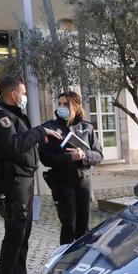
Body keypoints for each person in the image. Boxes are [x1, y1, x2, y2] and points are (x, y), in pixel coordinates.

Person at [0, 76, 61, 274]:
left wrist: (38, 134)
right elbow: (14, 144)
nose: (25, 97)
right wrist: (39, 132)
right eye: (23, 93)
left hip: (23, 180)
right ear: (13, 94)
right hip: (11, 181)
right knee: (14, 233)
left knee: (24, 232)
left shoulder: (12, 113)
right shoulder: (0, 116)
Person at [39, 91, 104, 245]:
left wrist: (84, 155)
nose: (61, 107)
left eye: (65, 104)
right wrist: (69, 158)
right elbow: (45, 158)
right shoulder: (50, 127)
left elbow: (99, 155)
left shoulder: (87, 127)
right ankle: (64, 262)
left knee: (83, 226)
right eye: (59, 104)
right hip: (62, 182)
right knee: (68, 225)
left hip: (83, 181)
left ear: (75, 106)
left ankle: (81, 259)